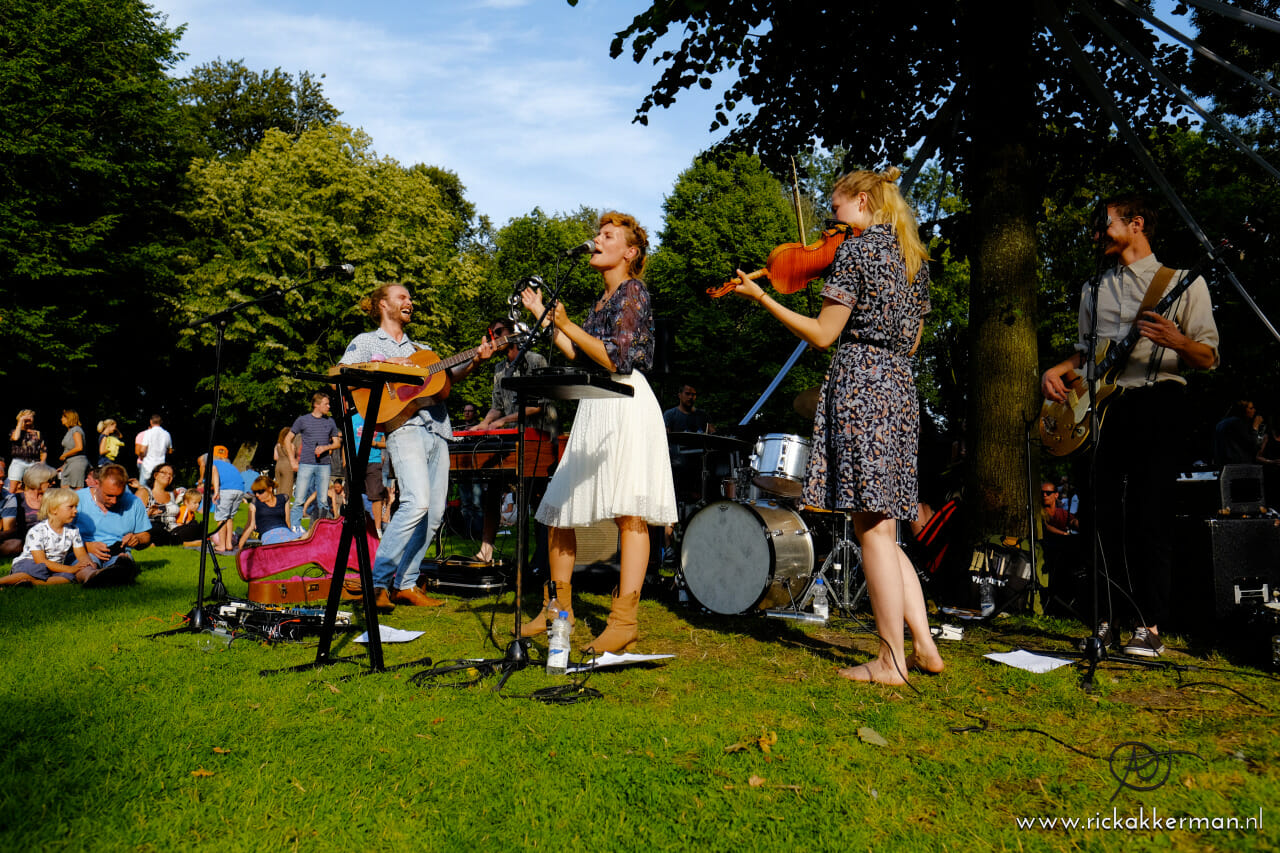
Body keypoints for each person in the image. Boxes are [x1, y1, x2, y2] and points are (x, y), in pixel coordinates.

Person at [733, 169, 942, 685]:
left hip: (861, 384)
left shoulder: (858, 251)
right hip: (898, 384)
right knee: (886, 529)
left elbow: (825, 334)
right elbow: (912, 342)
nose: (833, 217)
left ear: (863, 201)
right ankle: (925, 646)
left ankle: (890, 660)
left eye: (838, 207)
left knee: (870, 528)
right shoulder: (913, 259)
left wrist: (763, 299)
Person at [1041, 195, 1219, 658]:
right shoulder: (1093, 289)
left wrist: (1176, 339)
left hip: (1159, 400)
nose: (1095, 233)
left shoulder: (1182, 282)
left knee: (1149, 512)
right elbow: (1089, 354)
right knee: (1097, 513)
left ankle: (1148, 625)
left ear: (1135, 224)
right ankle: (1103, 620)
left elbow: (1209, 356)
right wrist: (1057, 371)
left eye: (1104, 224)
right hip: (1105, 410)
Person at [518, 211, 678, 653]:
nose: (596, 240)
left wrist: (566, 324)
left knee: (629, 511)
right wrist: (550, 322)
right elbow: (579, 351)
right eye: (597, 234)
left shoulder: (634, 292)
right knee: (560, 509)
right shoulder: (600, 303)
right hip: (595, 404)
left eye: (607, 236)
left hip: (625, 401)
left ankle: (624, 619)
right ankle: (558, 612)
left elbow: (616, 360)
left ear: (630, 252)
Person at [338, 282, 485, 610]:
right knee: (415, 504)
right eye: (402, 297)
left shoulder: (424, 349)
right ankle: (377, 583)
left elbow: (444, 381)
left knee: (433, 515)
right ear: (382, 305)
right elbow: (343, 374)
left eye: (410, 297)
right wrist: (391, 368)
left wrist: (475, 361)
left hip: (439, 430)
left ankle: (405, 583)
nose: (410, 302)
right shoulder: (365, 342)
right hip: (403, 428)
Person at [467, 318, 556, 563]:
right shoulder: (498, 369)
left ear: (512, 334)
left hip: (537, 442)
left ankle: (541, 559)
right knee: (493, 491)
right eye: (491, 333)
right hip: (509, 440)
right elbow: (497, 407)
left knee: (538, 498)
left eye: (498, 332)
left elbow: (538, 405)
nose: (493, 337)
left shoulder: (535, 360)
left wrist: (504, 420)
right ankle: (486, 552)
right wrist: (484, 423)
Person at [73, 463, 151, 586]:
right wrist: (86, 546)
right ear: (97, 483)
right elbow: (59, 534)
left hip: (119, 551)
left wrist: (137, 539)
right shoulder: (76, 499)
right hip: (84, 550)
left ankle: (116, 572)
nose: (114, 501)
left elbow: (146, 536)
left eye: (119, 496)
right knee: (86, 563)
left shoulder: (134, 502)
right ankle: (93, 577)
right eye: (109, 495)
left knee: (123, 560)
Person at [0, 488, 94, 586]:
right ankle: (3, 581)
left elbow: (81, 553)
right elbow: (40, 560)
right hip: (31, 563)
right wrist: (70, 569)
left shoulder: (73, 530)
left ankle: (32, 583)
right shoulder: (37, 531)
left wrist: (86, 563)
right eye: (70, 507)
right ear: (53, 509)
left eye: (76, 507)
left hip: (55, 566)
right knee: (37, 570)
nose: (75, 511)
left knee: (69, 577)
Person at [286, 393, 341, 531]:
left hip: (324, 465)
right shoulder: (302, 420)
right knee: (299, 499)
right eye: (326, 404)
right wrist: (292, 461)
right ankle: (295, 529)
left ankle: (323, 530)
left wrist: (325, 447)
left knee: (323, 501)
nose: (329, 406)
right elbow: (287, 440)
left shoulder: (330, 422)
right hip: (306, 464)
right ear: (316, 405)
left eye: (329, 404)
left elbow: (337, 443)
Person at [238, 475, 300, 547]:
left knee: (303, 538)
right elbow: (250, 526)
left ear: (270, 489)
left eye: (260, 491)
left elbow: (287, 522)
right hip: (269, 535)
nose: (257, 495)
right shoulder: (255, 503)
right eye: (255, 492)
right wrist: (240, 546)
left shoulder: (283, 498)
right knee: (288, 542)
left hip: (285, 531)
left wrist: (290, 532)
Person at [210, 446, 244, 553]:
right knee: (229, 517)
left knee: (221, 518)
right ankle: (229, 544)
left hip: (226, 490)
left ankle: (221, 545)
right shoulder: (231, 466)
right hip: (239, 490)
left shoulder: (214, 464)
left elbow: (215, 474)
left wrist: (216, 492)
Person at [1213, 400, 1264, 467]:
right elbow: (1253, 444)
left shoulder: (1221, 423)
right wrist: (1255, 426)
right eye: (1251, 408)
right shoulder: (1237, 423)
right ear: (1242, 410)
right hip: (1237, 466)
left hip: (1224, 465)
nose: (1254, 410)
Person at [9, 409, 47, 492]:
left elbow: (43, 450)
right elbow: (15, 438)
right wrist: (21, 421)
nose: (29, 418)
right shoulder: (15, 431)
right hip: (18, 461)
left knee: (33, 487)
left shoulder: (37, 433)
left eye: (31, 416)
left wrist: (42, 462)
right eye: (27, 415)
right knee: (13, 488)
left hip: (33, 462)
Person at [134, 414, 173, 486]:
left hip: (147, 464)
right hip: (160, 465)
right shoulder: (166, 434)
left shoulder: (148, 433)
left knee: (143, 487)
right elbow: (170, 451)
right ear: (161, 422)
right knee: (157, 487)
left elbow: (142, 450)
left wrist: (142, 456)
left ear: (151, 422)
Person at [57, 410, 89, 489]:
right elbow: (68, 449)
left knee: (77, 489)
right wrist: (64, 466)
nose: (61, 419)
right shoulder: (69, 431)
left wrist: (64, 455)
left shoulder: (76, 430)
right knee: (64, 488)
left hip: (77, 463)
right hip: (69, 463)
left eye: (63, 417)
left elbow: (79, 447)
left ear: (69, 418)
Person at [272, 426, 297, 501]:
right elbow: (291, 456)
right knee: (287, 486)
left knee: (278, 486)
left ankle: (277, 503)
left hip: (279, 465)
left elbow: (275, 457)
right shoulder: (291, 445)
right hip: (287, 465)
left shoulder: (278, 445)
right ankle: (285, 505)